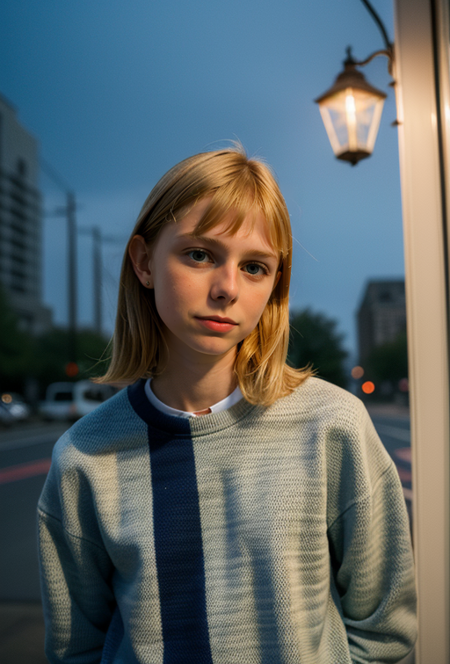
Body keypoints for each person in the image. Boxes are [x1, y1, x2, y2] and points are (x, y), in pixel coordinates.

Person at [37, 145, 417, 664]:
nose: (227, 289)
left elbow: (385, 632)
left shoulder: (333, 425)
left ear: (273, 287)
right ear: (144, 262)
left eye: (255, 266)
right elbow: (75, 647)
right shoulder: (83, 456)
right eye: (200, 254)